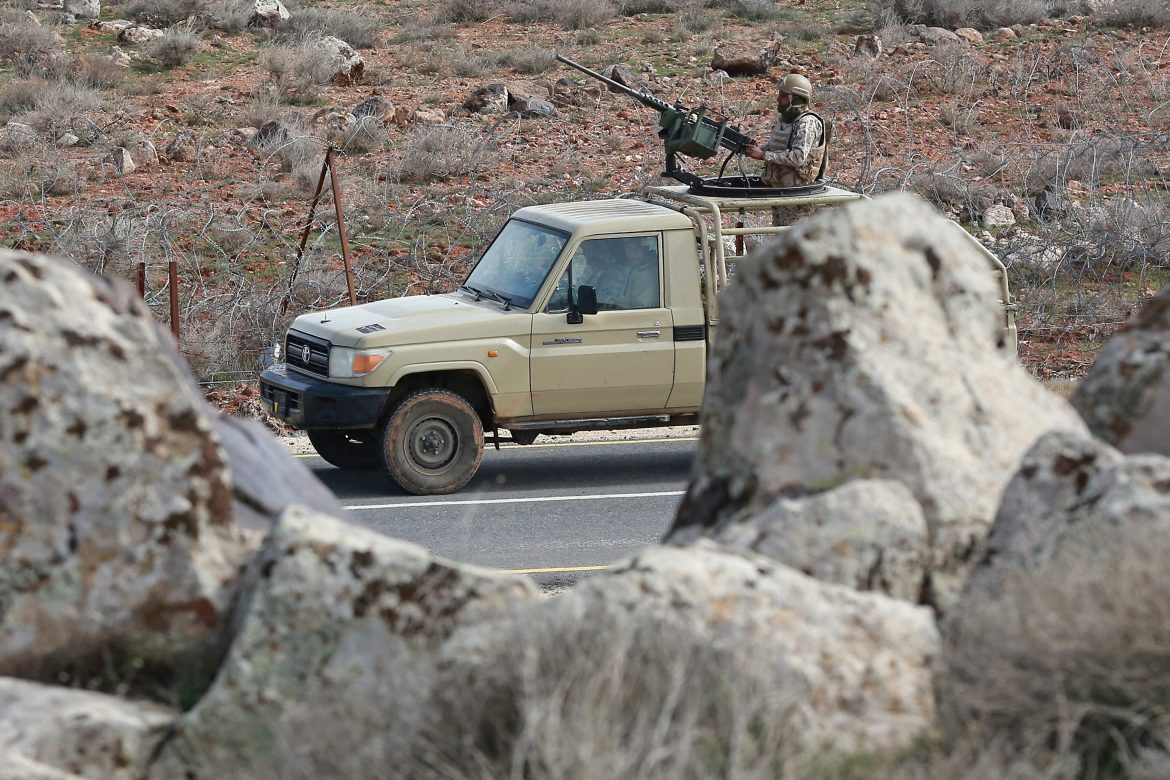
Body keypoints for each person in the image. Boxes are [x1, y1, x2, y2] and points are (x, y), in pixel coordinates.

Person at [744, 73, 827, 188]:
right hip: (778, 186)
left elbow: (798, 157)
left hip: (796, 192)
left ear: (796, 99)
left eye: (783, 95)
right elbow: (778, 148)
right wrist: (757, 149)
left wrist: (763, 155)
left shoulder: (807, 123)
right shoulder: (784, 120)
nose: (778, 98)